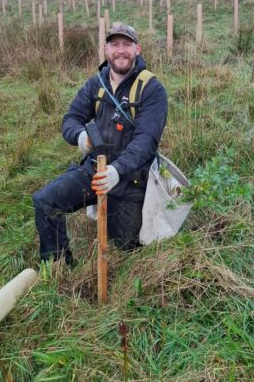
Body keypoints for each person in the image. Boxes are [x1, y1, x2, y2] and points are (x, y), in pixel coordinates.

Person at [32, 24, 168, 264]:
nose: (121, 50)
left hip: (130, 181)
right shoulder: (96, 84)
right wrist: (80, 137)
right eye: (115, 44)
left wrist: (117, 170)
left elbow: (146, 141)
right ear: (106, 49)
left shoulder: (152, 89)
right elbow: (70, 119)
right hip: (93, 171)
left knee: (125, 250)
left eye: (127, 44)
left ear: (137, 49)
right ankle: (59, 268)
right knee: (45, 202)